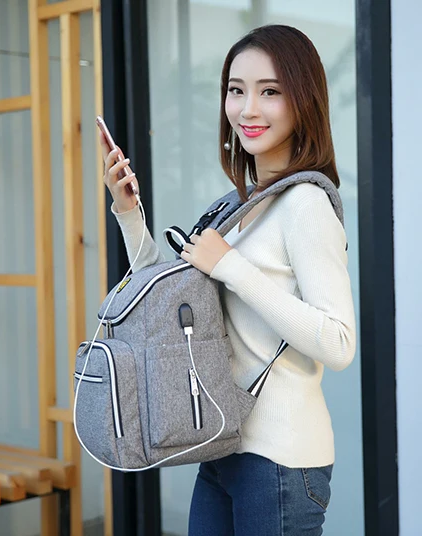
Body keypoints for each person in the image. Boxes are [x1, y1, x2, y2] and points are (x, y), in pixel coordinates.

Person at [100, 24, 356, 536]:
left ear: (303, 99)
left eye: (270, 91)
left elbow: (339, 342)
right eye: (237, 91)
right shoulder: (238, 204)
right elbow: (167, 299)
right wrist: (129, 214)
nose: (248, 109)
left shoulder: (305, 204)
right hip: (221, 444)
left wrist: (233, 269)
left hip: (280, 460)